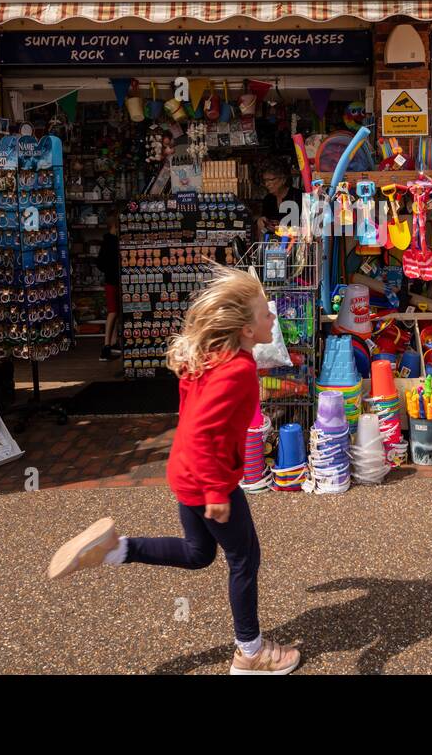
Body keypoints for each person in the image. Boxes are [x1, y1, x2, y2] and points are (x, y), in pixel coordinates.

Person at [47, 266, 301, 676]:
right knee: (244, 558)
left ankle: (114, 549)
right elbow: (206, 432)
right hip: (206, 478)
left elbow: (190, 416)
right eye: (265, 314)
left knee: (199, 554)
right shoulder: (237, 371)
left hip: (185, 471)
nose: (273, 317)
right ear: (246, 329)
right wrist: (217, 492)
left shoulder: (212, 358)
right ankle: (250, 653)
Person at [257, 159, 303, 237]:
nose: (267, 184)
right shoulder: (268, 200)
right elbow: (264, 232)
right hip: (273, 246)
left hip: (294, 245)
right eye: (265, 180)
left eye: (271, 180)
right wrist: (261, 225)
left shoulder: (298, 196)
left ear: (283, 179)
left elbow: (306, 230)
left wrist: (282, 229)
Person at [98, 213, 120, 361]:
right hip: (113, 281)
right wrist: (111, 271)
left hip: (111, 280)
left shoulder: (108, 241)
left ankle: (113, 343)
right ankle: (106, 347)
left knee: (116, 312)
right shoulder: (112, 242)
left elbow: (99, 263)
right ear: (116, 226)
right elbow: (102, 262)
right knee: (112, 312)